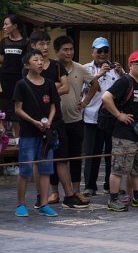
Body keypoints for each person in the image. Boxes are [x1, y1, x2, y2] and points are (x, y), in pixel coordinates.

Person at [29, 31, 87, 209]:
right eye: (41, 44)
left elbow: (66, 87)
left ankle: (69, 195)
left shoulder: (56, 65)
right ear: (33, 46)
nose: (45, 47)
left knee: (62, 157)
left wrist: (45, 88)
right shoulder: (28, 65)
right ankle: (42, 196)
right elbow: (28, 90)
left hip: (58, 119)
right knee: (39, 159)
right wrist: (52, 87)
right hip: (35, 120)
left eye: (47, 43)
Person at [100, 50, 138, 212]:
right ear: (130, 65)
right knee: (119, 168)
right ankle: (113, 199)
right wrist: (119, 115)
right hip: (123, 134)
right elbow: (106, 97)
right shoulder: (125, 81)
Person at [12, 49, 59, 217]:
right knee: (25, 170)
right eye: (35, 60)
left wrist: (50, 121)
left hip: (46, 135)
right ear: (26, 65)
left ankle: (44, 203)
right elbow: (18, 109)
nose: (40, 62)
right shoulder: (21, 84)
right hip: (28, 133)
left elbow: (53, 105)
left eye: (41, 59)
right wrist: (33, 121)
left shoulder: (49, 83)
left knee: (46, 169)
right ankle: (20, 204)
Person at [55, 35, 96, 205]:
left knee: (75, 157)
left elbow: (95, 84)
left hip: (76, 119)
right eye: (65, 49)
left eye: (71, 49)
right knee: (57, 158)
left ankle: (76, 192)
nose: (69, 52)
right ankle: (54, 192)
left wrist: (85, 102)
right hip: (55, 120)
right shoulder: (51, 68)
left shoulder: (80, 68)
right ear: (56, 51)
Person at [82, 36, 123, 197]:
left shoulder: (116, 69)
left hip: (111, 117)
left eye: (106, 51)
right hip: (92, 116)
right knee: (92, 152)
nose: (103, 54)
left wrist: (121, 73)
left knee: (112, 153)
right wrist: (98, 75)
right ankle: (90, 185)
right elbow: (81, 89)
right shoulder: (85, 68)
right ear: (92, 51)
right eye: (99, 51)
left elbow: (124, 90)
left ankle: (110, 184)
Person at [0, 14, 28, 140]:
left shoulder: (25, 43)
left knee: (17, 111)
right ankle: (3, 139)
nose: (4, 27)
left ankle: (17, 140)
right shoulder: (3, 42)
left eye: (6, 24)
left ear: (15, 26)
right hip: (4, 80)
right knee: (3, 110)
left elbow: (27, 62)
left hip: (19, 80)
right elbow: (1, 57)